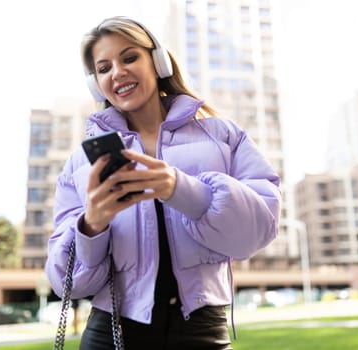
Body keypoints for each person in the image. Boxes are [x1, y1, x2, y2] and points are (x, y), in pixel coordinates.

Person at [45, 16, 281, 350]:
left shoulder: (223, 136)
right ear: (96, 83)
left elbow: (259, 229)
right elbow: (66, 282)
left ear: (158, 62)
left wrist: (183, 191)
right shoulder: (79, 165)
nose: (118, 72)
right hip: (111, 335)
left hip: (202, 332)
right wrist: (91, 226)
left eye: (129, 58)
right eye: (104, 67)